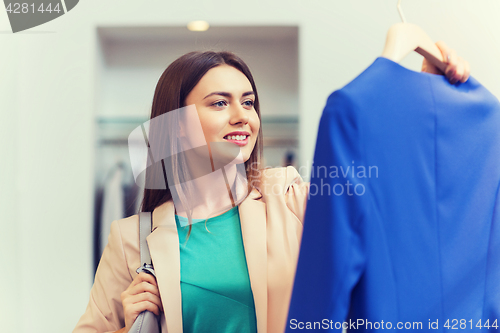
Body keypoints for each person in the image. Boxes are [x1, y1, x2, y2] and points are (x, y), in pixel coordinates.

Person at [73, 42, 470, 333]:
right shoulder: (132, 239)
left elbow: (386, 197)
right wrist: (129, 327)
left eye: (248, 103)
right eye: (219, 103)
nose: (242, 116)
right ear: (176, 125)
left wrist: (420, 95)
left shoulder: (291, 197)